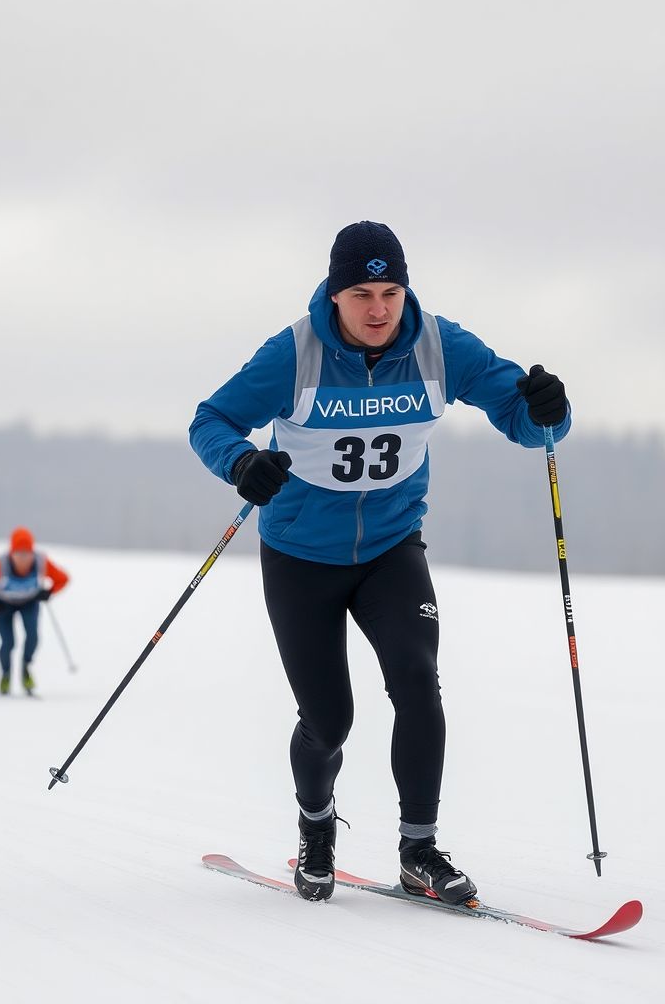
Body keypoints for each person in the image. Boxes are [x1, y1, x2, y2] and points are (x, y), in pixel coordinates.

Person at [189, 221, 570, 902]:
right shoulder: (294, 354)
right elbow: (210, 421)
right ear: (335, 295)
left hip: (392, 548)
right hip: (301, 555)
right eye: (361, 293)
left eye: (390, 291)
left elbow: (524, 417)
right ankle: (316, 827)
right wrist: (242, 461)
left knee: (418, 681)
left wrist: (551, 409)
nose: (378, 309)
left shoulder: (439, 346)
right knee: (329, 720)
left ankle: (419, 850)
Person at [0, 527, 70, 695]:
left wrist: (49, 592)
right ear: (11, 553)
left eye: (27, 554)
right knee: (8, 642)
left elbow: (63, 579)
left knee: (33, 636)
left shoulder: (41, 562)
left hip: (29, 603)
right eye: (19, 554)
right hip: (3, 604)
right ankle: (6, 674)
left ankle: (26, 667)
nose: (23, 559)